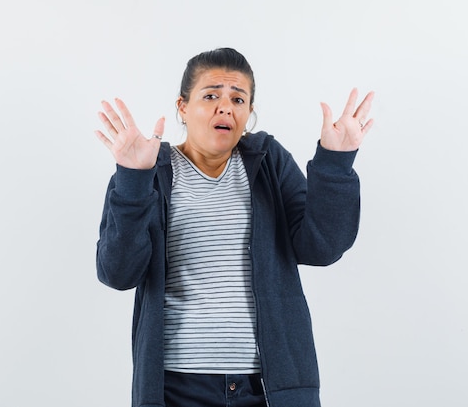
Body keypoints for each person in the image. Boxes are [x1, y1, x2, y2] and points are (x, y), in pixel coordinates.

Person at [94, 47, 374, 407]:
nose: (225, 107)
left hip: (270, 388)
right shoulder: (151, 167)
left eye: (238, 99)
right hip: (176, 388)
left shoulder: (268, 161)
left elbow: (321, 247)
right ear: (182, 107)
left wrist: (335, 163)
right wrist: (132, 180)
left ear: (248, 113)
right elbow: (117, 272)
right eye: (210, 95)